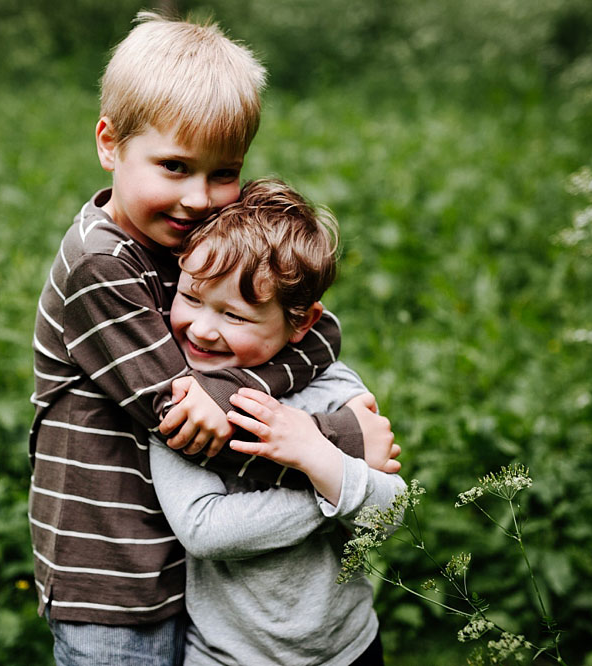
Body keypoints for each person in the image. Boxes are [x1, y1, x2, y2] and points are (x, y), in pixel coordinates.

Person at [27, 12, 399, 665]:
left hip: (198, 574)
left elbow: (315, 332)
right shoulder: (100, 265)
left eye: (223, 172)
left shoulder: (185, 240)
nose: (200, 198)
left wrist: (249, 402)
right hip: (117, 573)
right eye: (173, 166)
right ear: (109, 143)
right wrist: (340, 444)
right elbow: (188, 423)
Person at [150, 178, 405, 665]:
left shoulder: (333, 388)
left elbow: (389, 514)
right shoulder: (181, 402)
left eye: (236, 316)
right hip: (229, 655)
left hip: (348, 647)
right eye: (192, 297)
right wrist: (325, 476)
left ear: (301, 323)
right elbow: (205, 529)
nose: (203, 328)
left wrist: (313, 448)